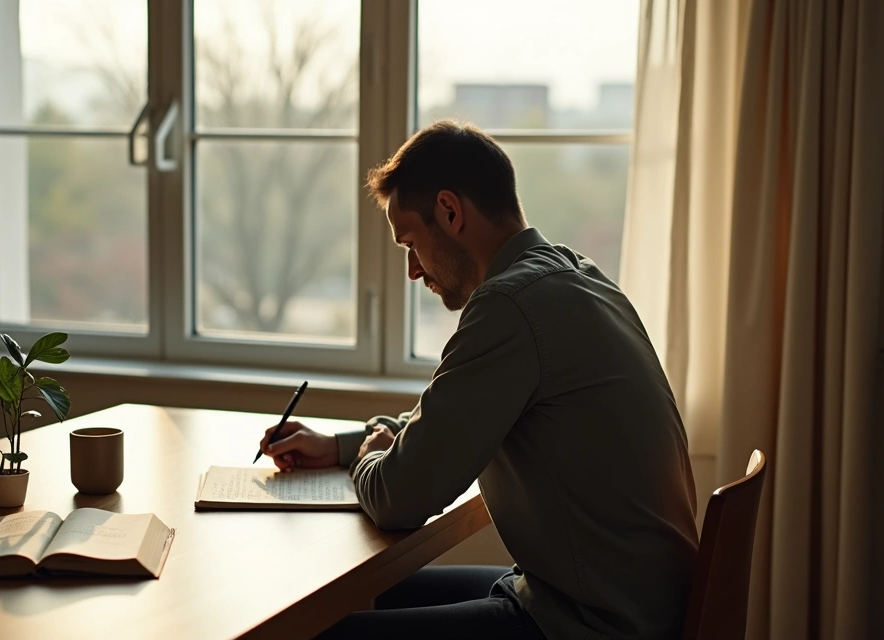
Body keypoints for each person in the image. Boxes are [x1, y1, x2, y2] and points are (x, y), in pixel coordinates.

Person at [258, 120, 700, 640]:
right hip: (618, 602)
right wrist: (340, 444)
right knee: (366, 598)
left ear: (450, 211)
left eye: (411, 244)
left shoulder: (510, 305)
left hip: (589, 624)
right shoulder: (574, 276)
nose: (413, 271)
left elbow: (400, 496)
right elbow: (453, 418)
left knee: (316, 629)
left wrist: (365, 459)